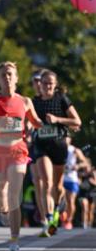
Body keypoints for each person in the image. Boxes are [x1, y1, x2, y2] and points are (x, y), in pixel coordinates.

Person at [0, 61, 42, 251]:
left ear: (17, 78)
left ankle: (14, 241)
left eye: (10, 74)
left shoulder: (25, 102)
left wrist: (33, 125)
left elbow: (36, 122)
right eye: (3, 75)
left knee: (14, 195)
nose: (7, 77)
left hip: (17, 151)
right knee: (0, 199)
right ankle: (3, 212)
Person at [30, 69, 82, 236]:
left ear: (55, 85)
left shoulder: (62, 99)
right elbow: (27, 121)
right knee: (46, 182)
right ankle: (49, 220)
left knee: (57, 186)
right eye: (45, 83)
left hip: (59, 145)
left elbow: (77, 121)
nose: (47, 86)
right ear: (40, 85)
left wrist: (57, 119)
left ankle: (58, 207)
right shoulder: (34, 102)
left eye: (51, 83)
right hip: (41, 145)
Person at [62, 136, 88, 230]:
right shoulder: (58, 149)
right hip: (61, 178)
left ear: (70, 139)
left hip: (72, 179)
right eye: (63, 138)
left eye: (67, 138)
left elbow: (85, 163)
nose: (65, 140)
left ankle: (69, 221)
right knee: (62, 201)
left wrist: (77, 166)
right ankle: (63, 219)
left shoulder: (75, 150)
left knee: (70, 201)